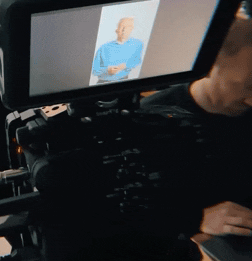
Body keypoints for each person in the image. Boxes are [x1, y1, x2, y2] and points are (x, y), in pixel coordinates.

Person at [141, 16, 252, 237]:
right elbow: (136, 214)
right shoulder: (150, 121)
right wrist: (195, 218)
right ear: (208, 68)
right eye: (248, 87)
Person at [91, 17, 143, 83]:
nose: (124, 30)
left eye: (128, 27)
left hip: (124, 80)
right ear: (116, 30)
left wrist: (125, 65)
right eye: (122, 27)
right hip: (104, 82)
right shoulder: (103, 48)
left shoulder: (137, 44)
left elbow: (137, 60)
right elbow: (94, 71)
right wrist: (107, 70)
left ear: (132, 29)